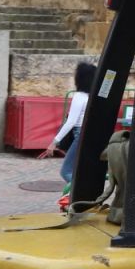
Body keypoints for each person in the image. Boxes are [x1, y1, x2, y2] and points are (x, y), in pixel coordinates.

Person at [41, 61, 98, 196]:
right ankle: (83, 193)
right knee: (80, 169)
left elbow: (71, 122)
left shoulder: (79, 97)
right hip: (90, 134)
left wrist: (53, 142)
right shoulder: (92, 97)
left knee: (66, 171)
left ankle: (83, 193)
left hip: (80, 134)